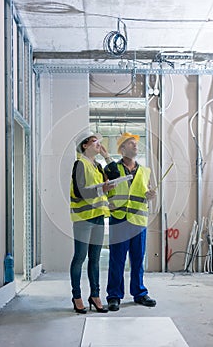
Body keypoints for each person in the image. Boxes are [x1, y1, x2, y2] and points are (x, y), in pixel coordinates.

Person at [104, 132, 157, 311]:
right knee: (116, 260)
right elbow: (103, 190)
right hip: (119, 219)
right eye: (131, 143)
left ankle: (139, 293)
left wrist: (151, 195)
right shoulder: (111, 169)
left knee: (137, 259)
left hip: (138, 220)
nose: (135, 146)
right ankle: (114, 296)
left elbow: (146, 192)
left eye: (136, 143)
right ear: (122, 149)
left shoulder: (145, 171)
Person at [69, 130, 114, 314]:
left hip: (97, 217)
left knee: (95, 259)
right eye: (94, 141)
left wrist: (107, 156)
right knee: (80, 258)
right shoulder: (80, 164)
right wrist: (100, 190)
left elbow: (111, 178)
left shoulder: (98, 166)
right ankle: (77, 296)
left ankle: (95, 295)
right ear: (85, 146)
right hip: (83, 219)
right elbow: (80, 192)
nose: (98, 143)